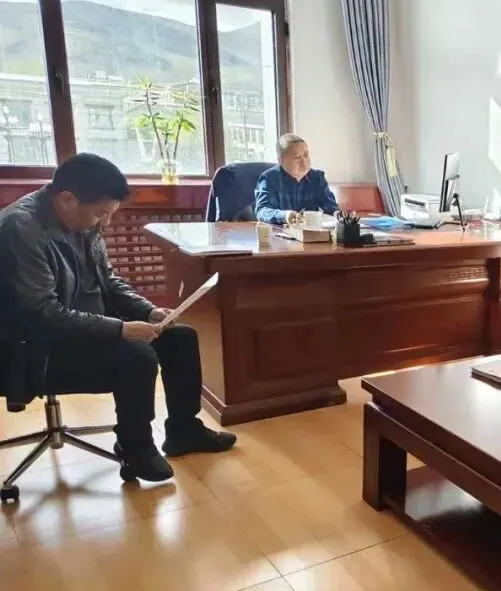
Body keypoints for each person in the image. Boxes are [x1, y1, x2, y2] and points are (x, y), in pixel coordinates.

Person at [0, 154, 236, 482]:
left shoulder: (82, 221)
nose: (107, 223)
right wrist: (121, 329)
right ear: (67, 199)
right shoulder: (20, 230)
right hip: (31, 347)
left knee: (179, 337)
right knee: (136, 357)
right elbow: (43, 315)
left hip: (79, 326)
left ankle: (184, 431)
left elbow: (107, 281)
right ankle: (135, 447)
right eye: (102, 213)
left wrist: (147, 311)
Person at [254, 134, 339, 226]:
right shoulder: (269, 179)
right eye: (297, 157)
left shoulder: (317, 178)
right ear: (280, 160)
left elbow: (331, 207)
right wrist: (285, 216)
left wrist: (338, 215)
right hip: (280, 232)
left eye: (306, 155)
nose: (304, 161)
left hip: (310, 231)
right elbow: (262, 211)